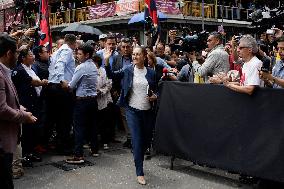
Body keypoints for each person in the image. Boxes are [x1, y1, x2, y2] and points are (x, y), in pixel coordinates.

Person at [105, 46, 157, 185]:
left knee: (146, 141)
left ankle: (139, 154)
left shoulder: (151, 73)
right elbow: (112, 75)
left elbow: (156, 90)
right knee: (137, 140)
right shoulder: (128, 70)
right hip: (132, 110)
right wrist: (106, 62)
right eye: (133, 54)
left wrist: (154, 96)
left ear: (144, 56)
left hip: (147, 111)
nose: (134, 57)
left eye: (137, 54)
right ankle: (139, 172)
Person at [0, 34, 37, 189]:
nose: (18, 56)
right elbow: (1, 109)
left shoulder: (5, 71)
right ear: (9, 53)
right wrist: (23, 116)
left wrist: (18, 107)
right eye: (16, 52)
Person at [62, 43, 99, 164]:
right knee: (92, 125)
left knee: (79, 128)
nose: (77, 56)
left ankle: (78, 155)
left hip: (82, 101)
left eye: (79, 54)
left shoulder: (81, 67)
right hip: (93, 100)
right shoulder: (93, 65)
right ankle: (94, 149)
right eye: (77, 53)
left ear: (87, 55)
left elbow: (71, 86)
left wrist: (64, 84)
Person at [12, 47, 48, 164]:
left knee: (33, 130)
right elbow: (33, 82)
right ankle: (25, 155)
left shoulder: (31, 68)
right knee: (26, 131)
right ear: (23, 58)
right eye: (30, 54)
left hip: (34, 103)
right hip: (25, 104)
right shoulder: (20, 70)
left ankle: (30, 153)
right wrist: (43, 82)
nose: (33, 56)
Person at [47, 34, 76, 154]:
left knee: (59, 118)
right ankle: (63, 147)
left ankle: (60, 144)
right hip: (61, 87)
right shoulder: (67, 51)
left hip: (54, 86)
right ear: (73, 43)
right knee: (65, 118)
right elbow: (60, 65)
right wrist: (62, 80)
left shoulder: (58, 50)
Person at [93, 55, 113, 150]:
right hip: (92, 99)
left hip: (103, 99)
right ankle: (92, 142)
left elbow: (109, 84)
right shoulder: (89, 71)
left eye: (95, 62)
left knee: (104, 122)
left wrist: (101, 91)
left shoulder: (103, 71)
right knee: (93, 122)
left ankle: (105, 141)